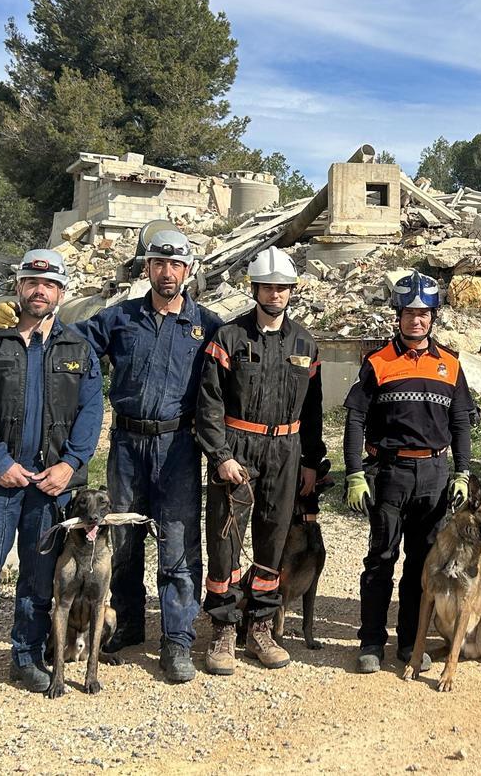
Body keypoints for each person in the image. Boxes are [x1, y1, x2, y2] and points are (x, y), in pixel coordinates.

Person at [0, 249, 103, 705]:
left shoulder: (77, 348)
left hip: (48, 487)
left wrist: (69, 466)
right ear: (19, 288)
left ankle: (26, 657)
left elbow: (91, 412)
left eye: (48, 285)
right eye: (31, 282)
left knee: (37, 578)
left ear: (61, 292)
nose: (39, 290)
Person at [71, 228, 222, 682]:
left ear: (188, 271)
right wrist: (26, 321)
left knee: (177, 543)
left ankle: (177, 640)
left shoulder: (208, 327)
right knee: (123, 540)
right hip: (126, 446)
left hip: (177, 446)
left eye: (176, 265)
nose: (167, 272)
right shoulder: (120, 318)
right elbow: (71, 344)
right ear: (148, 269)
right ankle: (130, 625)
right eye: (159, 263)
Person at [196, 247, 325, 676]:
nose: (276, 294)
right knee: (225, 540)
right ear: (255, 289)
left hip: (286, 452)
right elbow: (209, 404)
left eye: (283, 288)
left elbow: (314, 411)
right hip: (239, 448)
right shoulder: (229, 338)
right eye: (268, 287)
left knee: (273, 540)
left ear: (292, 291)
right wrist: (220, 456)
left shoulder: (306, 343)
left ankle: (261, 625)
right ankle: (223, 629)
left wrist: (310, 461)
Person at [343, 269, 476, 674]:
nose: (416, 320)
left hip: (435, 475)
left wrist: (463, 472)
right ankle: (370, 641)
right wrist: (353, 474)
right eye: (409, 313)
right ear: (397, 314)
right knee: (381, 559)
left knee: (422, 565)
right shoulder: (377, 362)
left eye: (424, 314)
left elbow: (460, 424)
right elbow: (354, 420)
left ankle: (408, 642)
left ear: (433, 317)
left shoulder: (450, 365)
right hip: (390, 473)